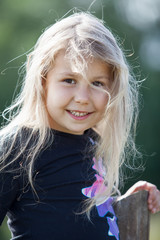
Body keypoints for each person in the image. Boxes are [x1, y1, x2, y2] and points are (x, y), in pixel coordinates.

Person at [0, 12, 159, 240]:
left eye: (97, 83)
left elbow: (72, 216)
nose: (83, 97)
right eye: (69, 80)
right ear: (43, 79)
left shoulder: (93, 142)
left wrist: (122, 205)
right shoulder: (17, 148)